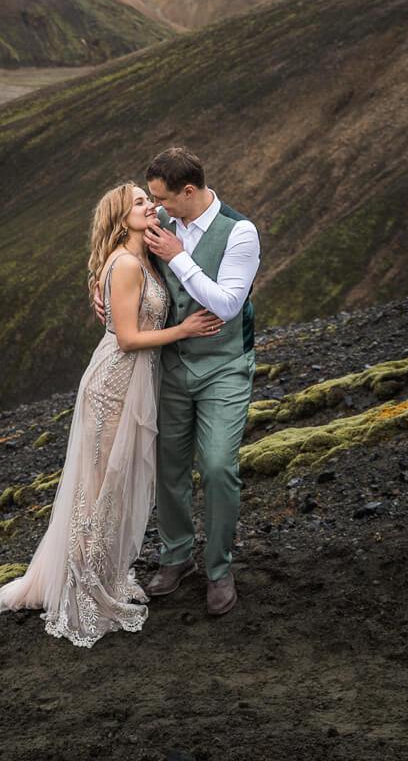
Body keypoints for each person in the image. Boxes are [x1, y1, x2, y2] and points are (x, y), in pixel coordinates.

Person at [0, 182, 222, 646]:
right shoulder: (127, 263)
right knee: (98, 489)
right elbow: (128, 339)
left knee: (114, 486)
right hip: (114, 384)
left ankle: (98, 574)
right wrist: (185, 329)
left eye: (148, 199)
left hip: (136, 382)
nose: (150, 206)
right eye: (139, 202)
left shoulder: (145, 256)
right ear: (120, 216)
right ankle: (82, 589)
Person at [137, 146, 261, 616]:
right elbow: (119, 265)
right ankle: (175, 557)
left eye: (163, 198)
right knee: (168, 467)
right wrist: (99, 294)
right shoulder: (158, 224)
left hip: (225, 366)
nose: (156, 206)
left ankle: (219, 568)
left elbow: (227, 305)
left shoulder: (240, 233)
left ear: (189, 191)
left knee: (216, 466)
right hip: (170, 364)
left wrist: (179, 257)